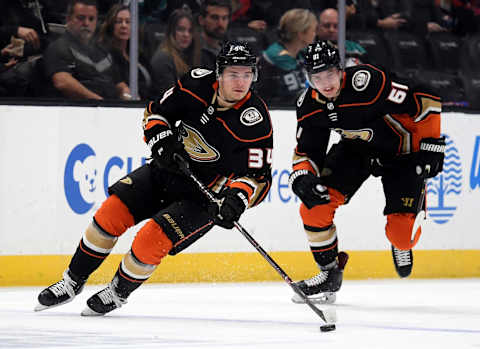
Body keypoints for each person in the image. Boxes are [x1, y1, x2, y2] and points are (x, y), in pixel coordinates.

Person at [35, 41, 273, 316]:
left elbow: (259, 178)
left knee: (152, 238)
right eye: (233, 73)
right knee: (110, 214)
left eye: (247, 74)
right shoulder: (195, 83)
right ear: (218, 73)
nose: (241, 81)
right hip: (169, 170)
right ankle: (71, 281)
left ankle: (117, 291)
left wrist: (237, 199)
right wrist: (161, 140)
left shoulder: (255, 120)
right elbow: (155, 112)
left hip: (205, 194)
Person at [288, 40, 445, 303]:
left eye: (329, 74)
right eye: (317, 77)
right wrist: (302, 176)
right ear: (308, 78)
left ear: (340, 70)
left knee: (401, 236)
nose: (325, 83)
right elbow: (307, 152)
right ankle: (328, 275)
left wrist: (431, 145)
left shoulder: (367, 82)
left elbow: (425, 98)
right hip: (356, 151)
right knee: (313, 207)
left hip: (401, 152)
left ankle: (405, 232)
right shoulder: (309, 104)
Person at [43, 0, 130, 100]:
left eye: (91, 19)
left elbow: (121, 86)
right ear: (68, 19)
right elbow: (63, 82)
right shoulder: (58, 47)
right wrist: (101, 103)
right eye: (81, 18)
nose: (86, 23)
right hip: (78, 110)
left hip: (110, 109)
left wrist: (129, 99)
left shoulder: (103, 51)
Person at [256, 8, 317, 106]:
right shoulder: (275, 56)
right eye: (313, 30)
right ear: (301, 33)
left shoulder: (300, 54)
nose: (315, 34)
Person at [97, 4, 155, 100]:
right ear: (111, 25)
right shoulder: (105, 55)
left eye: (128, 22)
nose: (124, 26)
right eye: (119, 22)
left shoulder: (139, 56)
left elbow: (154, 85)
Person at [150, 7, 202, 96]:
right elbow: (172, 98)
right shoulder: (163, 59)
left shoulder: (190, 57)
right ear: (171, 31)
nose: (186, 35)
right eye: (181, 29)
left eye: (190, 31)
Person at [197, 0, 231, 69]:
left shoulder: (230, 48)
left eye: (224, 18)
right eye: (215, 17)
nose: (220, 23)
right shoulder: (193, 50)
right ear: (201, 20)